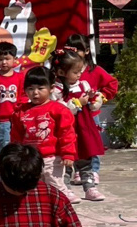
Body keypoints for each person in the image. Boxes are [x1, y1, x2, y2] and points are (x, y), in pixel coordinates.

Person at [10, 67, 78, 204]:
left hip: (52, 159)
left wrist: (68, 154)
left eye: (40, 88)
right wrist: (16, 155)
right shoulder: (20, 112)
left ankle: (61, 206)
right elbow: (16, 136)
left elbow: (67, 133)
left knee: (55, 186)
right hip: (30, 159)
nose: (35, 93)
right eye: (30, 89)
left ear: (51, 88)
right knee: (32, 188)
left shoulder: (59, 110)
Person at [51, 48, 106, 202]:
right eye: (75, 72)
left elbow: (92, 105)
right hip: (66, 129)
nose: (79, 74)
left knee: (86, 157)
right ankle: (66, 189)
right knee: (67, 160)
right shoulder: (57, 89)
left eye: (80, 70)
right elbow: (59, 109)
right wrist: (76, 103)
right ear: (61, 72)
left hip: (84, 127)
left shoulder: (83, 85)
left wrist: (94, 100)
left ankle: (90, 188)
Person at [65, 33, 117, 184]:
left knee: (91, 143)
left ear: (87, 51)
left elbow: (112, 84)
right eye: (70, 49)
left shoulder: (94, 70)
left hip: (91, 115)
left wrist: (101, 97)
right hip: (72, 114)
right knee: (75, 142)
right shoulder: (65, 70)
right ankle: (79, 171)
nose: (74, 52)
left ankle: (93, 171)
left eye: (78, 49)